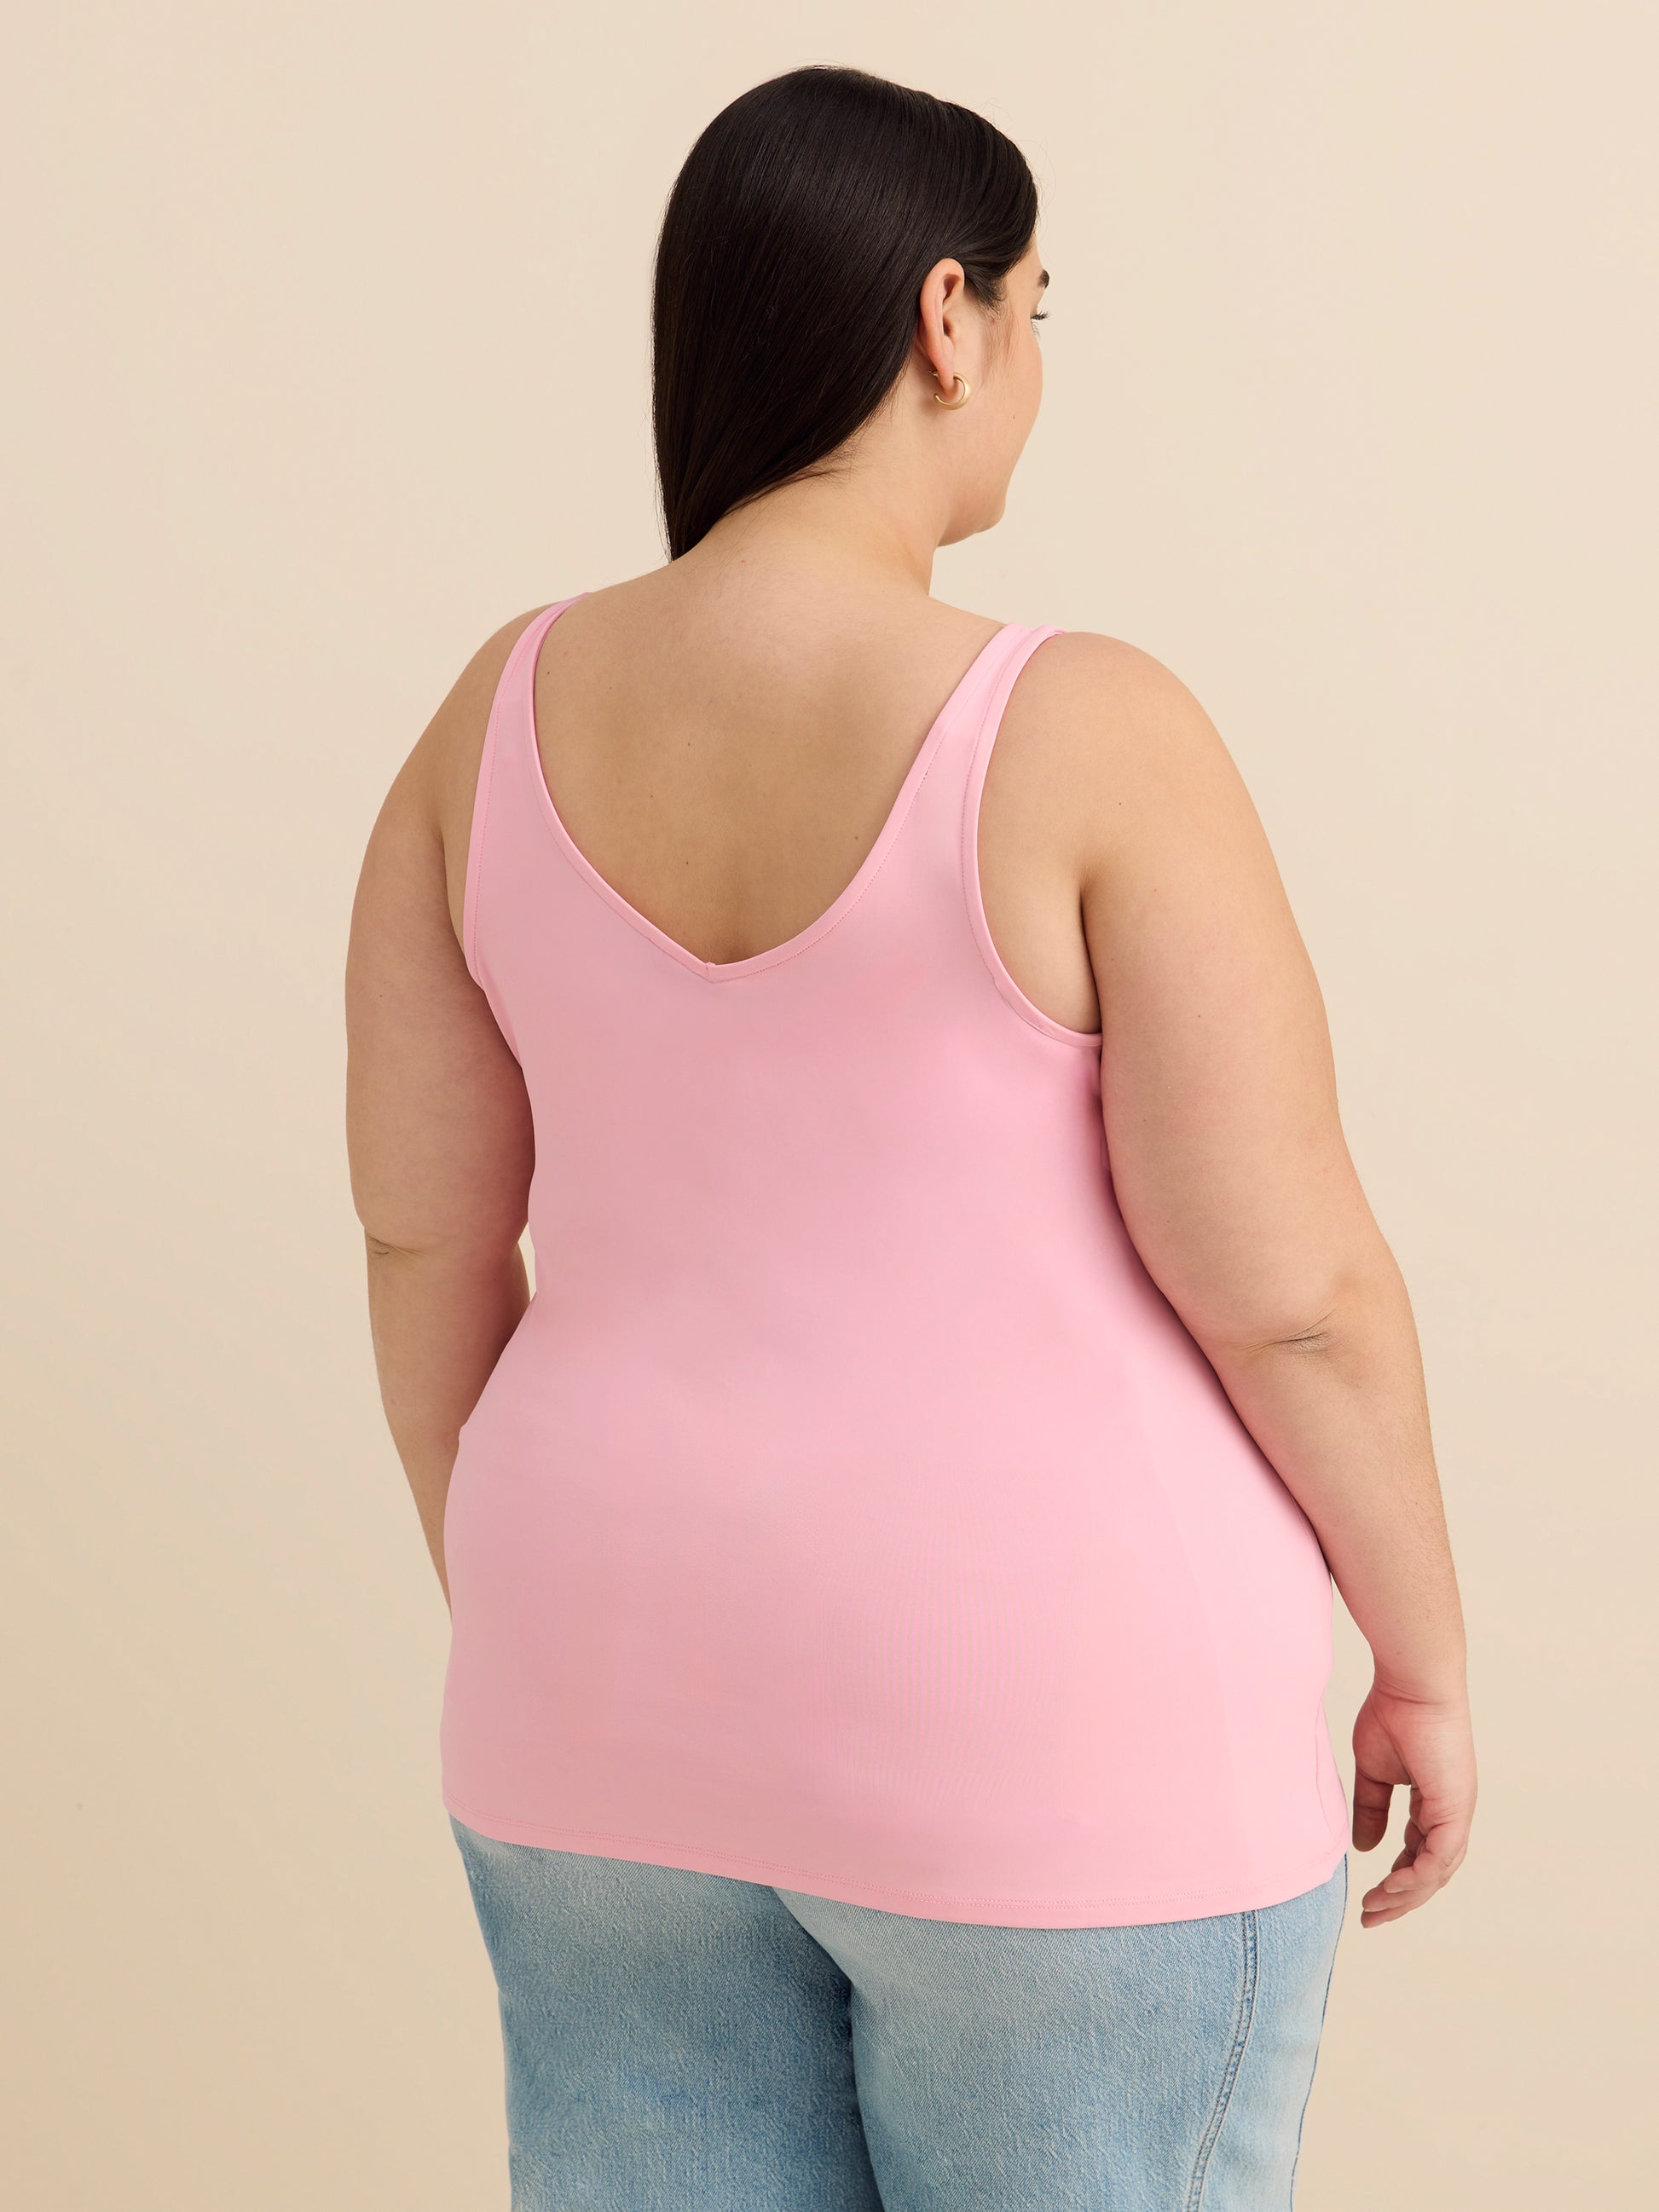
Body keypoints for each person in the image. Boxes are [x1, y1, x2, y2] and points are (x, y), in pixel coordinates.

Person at [344, 62, 1477, 2212]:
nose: (1033, 362)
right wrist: (1419, 1648)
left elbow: (424, 1242)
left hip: (594, 1694)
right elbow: (1293, 1293)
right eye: (1039, 308)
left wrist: (551, 1598)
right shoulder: (1083, 725)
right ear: (945, 318)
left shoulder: (483, 723)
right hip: (1063, 1735)